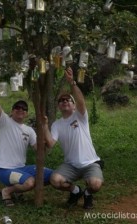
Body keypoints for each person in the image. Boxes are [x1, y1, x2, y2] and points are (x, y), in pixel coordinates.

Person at [44, 67, 104, 209]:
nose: (65, 101)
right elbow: (51, 143)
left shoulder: (80, 116)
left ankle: (88, 193)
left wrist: (72, 83)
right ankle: (76, 191)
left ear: (74, 105)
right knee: (55, 180)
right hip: (71, 165)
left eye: (68, 100)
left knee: (95, 185)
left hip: (90, 163)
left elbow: (81, 101)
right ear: (58, 106)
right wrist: (45, 125)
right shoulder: (57, 125)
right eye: (61, 100)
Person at [0, 79, 53, 207]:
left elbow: (39, 150)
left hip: (22, 168)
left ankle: (17, 189)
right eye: (17, 107)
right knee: (29, 182)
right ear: (12, 111)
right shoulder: (5, 122)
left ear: (27, 114)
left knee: (53, 175)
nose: (20, 110)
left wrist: (44, 126)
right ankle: (6, 191)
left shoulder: (29, 130)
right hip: (5, 170)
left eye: (24, 108)